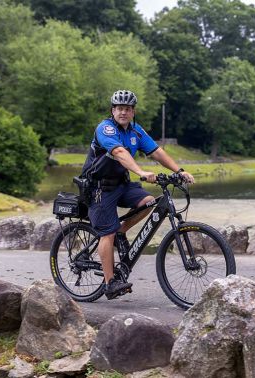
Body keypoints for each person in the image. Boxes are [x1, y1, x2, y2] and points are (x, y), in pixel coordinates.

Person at [81, 89, 195, 299]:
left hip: (121, 184)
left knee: (149, 201)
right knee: (107, 232)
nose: (123, 112)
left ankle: (121, 231)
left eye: (127, 109)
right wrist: (141, 172)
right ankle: (110, 282)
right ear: (112, 110)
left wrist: (178, 172)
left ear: (133, 112)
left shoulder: (136, 131)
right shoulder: (105, 128)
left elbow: (157, 152)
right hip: (98, 188)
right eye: (119, 108)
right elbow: (119, 152)